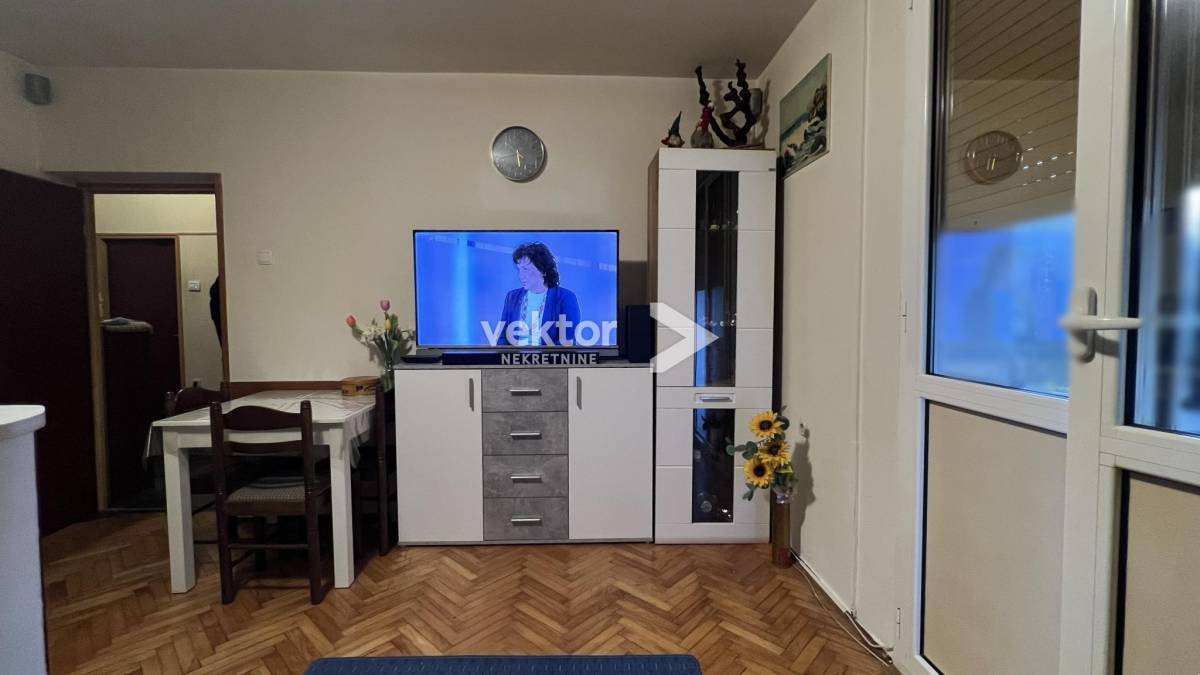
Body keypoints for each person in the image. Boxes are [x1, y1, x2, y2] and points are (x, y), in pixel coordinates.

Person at [497, 242, 580, 346]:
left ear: (543, 270)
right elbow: (502, 338)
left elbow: (567, 341)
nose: (521, 275)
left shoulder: (565, 298)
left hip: (550, 356)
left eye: (526, 269)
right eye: (519, 269)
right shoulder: (512, 297)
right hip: (516, 356)